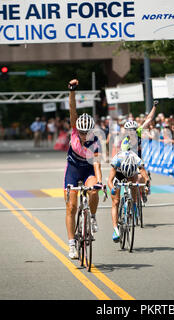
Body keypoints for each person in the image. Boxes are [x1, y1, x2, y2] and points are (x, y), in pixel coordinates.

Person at [64, 79, 104, 260]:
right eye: (80, 132)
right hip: (73, 169)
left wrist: (100, 183)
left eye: (86, 133)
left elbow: (96, 164)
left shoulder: (95, 142)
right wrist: (72, 91)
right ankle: (72, 245)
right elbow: (73, 109)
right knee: (71, 206)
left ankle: (93, 216)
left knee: (94, 192)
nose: (82, 135)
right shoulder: (74, 130)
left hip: (88, 170)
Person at [108, 151, 150, 242]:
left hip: (132, 173)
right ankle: (115, 230)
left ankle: (133, 204)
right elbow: (110, 181)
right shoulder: (117, 160)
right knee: (115, 201)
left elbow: (145, 175)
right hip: (118, 174)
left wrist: (146, 185)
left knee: (134, 184)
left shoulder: (136, 159)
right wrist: (112, 189)